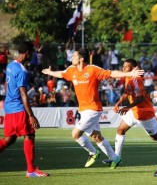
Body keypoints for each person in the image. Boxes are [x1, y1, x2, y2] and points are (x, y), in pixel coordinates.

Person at [42, 49, 144, 169]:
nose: (71, 57)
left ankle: (93, 153)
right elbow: (61, 74)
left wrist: (129, 74)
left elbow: (111, 73)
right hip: (83, 109)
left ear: (81, 59)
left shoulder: (92, 69)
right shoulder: (71, 70)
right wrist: (50, 72)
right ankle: (115, 158)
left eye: (74, 55)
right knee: (96, 137)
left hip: (93, 109)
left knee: (75, 134)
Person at [102, 58, 157, 166]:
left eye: (126, 67)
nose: (123, 68)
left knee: (155, 136)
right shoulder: (128, 77)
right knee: (120, 130)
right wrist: (119, 102)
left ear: (133, 68)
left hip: (144, 113)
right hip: (134, 111)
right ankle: (116, 158)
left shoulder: (136, 79)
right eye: (123, 66)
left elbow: (141, 98)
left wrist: (127, 107)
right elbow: (127, 92)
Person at [0, 42, 49, 177]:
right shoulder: (21, 70)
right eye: (32, 53)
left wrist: (9, 97)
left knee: (9, 139)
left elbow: (6, 83)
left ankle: (31, 170)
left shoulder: (11, 65)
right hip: (18, 109)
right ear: (27, 53)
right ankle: (31, 170)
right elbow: (23, 94)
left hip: (9, 108)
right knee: (29, 136)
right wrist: (31, 115)